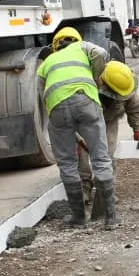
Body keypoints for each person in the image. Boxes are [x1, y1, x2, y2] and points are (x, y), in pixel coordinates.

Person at [37, 27, 118, 228]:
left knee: (66, 163)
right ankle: (110, 218)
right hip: (86, 101)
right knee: (100, 157)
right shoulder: (81, 47)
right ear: (75, 39)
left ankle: (78, 218)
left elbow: (43, 93)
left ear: (56, 45)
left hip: (57, 108)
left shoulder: (46, 62)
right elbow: (100, 53)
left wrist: (59, 122)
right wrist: (95, 75)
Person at [77, 60, 139, 218]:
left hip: (109, 119)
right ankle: (83, 187)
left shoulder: (124, 83)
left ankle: (106, 191)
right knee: (82, 153)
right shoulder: (84, 84)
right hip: (84, 120)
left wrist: (138, 129)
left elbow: (134, 108)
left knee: (108, 153)